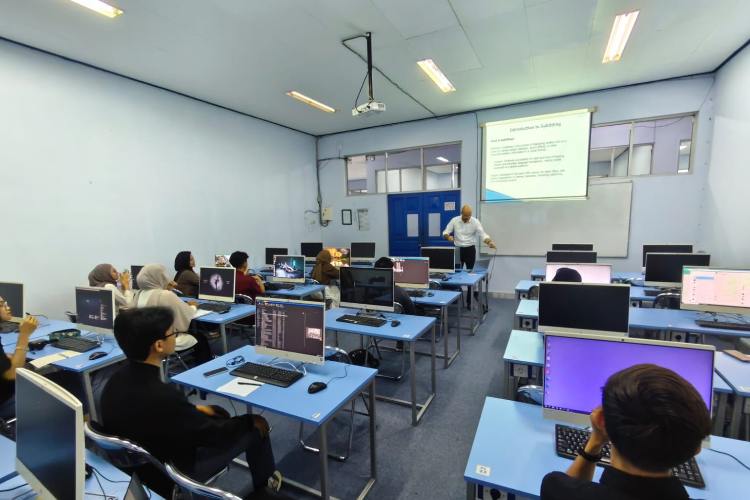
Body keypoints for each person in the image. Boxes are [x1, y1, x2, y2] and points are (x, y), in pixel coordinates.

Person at [100, 307, 283, 498]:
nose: (175, 336)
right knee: (256, 426)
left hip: (145, 467)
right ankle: (265, 488)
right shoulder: (164, 395)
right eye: (173, 333)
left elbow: (160, 416)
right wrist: (248, 421)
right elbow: (214, 435)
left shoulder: (114, 382)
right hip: (176, 471)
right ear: (159, 345)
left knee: (219, 414)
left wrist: (193, 410)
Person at [541, 364, 711, 500]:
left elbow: (571, 487)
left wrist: (595, 441)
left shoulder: (556, 488)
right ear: (697, 448)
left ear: (601, 421)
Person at [133, 264, 211, 362]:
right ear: (159, 277)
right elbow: (187, 314)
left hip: (146, 341)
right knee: (201, 338)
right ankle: (203, 367)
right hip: (165, 340)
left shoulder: (138, 294)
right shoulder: (164, 295)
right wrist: (193, 306)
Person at [443, 204, 496, 308]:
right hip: (458, 250)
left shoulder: (475, 222)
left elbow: (482, 234)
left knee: (471, 277)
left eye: (468, 216)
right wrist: (448, 237)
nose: (467, 218)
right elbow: (446, 232)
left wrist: (489, 242)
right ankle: (455, 299)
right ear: (461, 213)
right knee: (455, 276)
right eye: (465, 216)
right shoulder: (454, 220)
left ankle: (469, 302)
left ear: (471, 215)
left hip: (470, 250)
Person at [0, 297, 38, 417]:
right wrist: (24, 334)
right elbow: (12, 374)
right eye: (1, 305)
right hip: (6, 402)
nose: (8, 307)